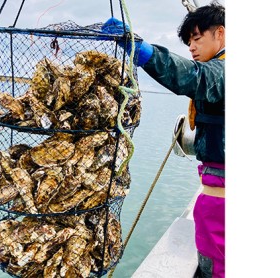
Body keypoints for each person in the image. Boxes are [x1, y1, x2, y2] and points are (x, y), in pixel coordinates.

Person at [102, 1, 225, 277]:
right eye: (188, 42)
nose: (191, 48)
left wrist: (142, 51)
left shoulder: (224, 70)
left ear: (220, 33)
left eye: (196, 39)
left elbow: (191, 77)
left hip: (221, 206)